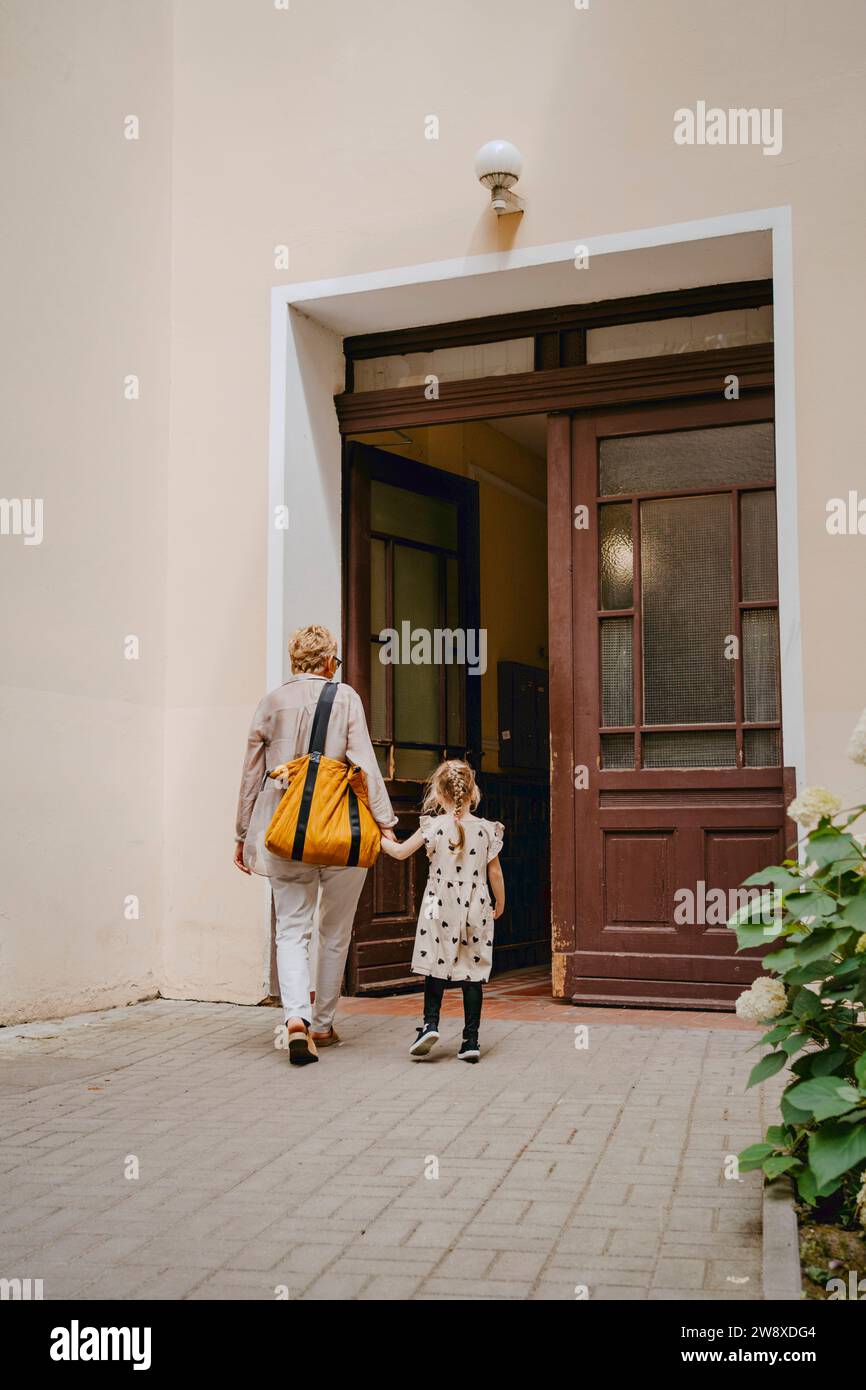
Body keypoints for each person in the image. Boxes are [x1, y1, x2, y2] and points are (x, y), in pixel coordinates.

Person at [234, 624, 397, 1065]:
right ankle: (322, 1027)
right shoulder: (345, 698)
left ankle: (295, 1021)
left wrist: (243, 832)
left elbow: (252, 774)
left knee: (291, 929)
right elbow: (364, 763)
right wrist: (385, 823)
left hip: (285, 832)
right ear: (329, 662)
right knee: (334, 931)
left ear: (294, 662)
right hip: (342, 832)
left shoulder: (270, 703)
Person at [379, 759, 504, 1063]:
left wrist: (375, 835)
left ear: (438, 792)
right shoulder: (487, 830)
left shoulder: (434, 827)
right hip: (475, 904)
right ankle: (471, 1040)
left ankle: (429, 1024)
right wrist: (499, 902)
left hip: (438, 904)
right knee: (472, 972)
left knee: (436, 960)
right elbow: (495, 873)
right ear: (472, 792)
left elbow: (398, 853)